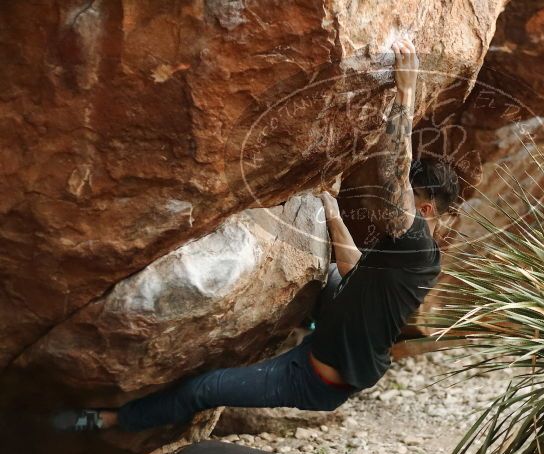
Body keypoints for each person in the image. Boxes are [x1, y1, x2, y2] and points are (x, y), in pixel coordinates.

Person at [54, 38, 461, 432]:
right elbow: (354, 269)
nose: (401, 198)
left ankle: (109, 420)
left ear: (424, 209)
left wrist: (406, 95)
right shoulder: (406, 251)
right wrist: (332, 214)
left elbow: (393, 178)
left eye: (414, 196)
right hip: (333, 328)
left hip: (315, 378)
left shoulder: (419, 246)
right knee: (331, 276)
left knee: (205, 388)